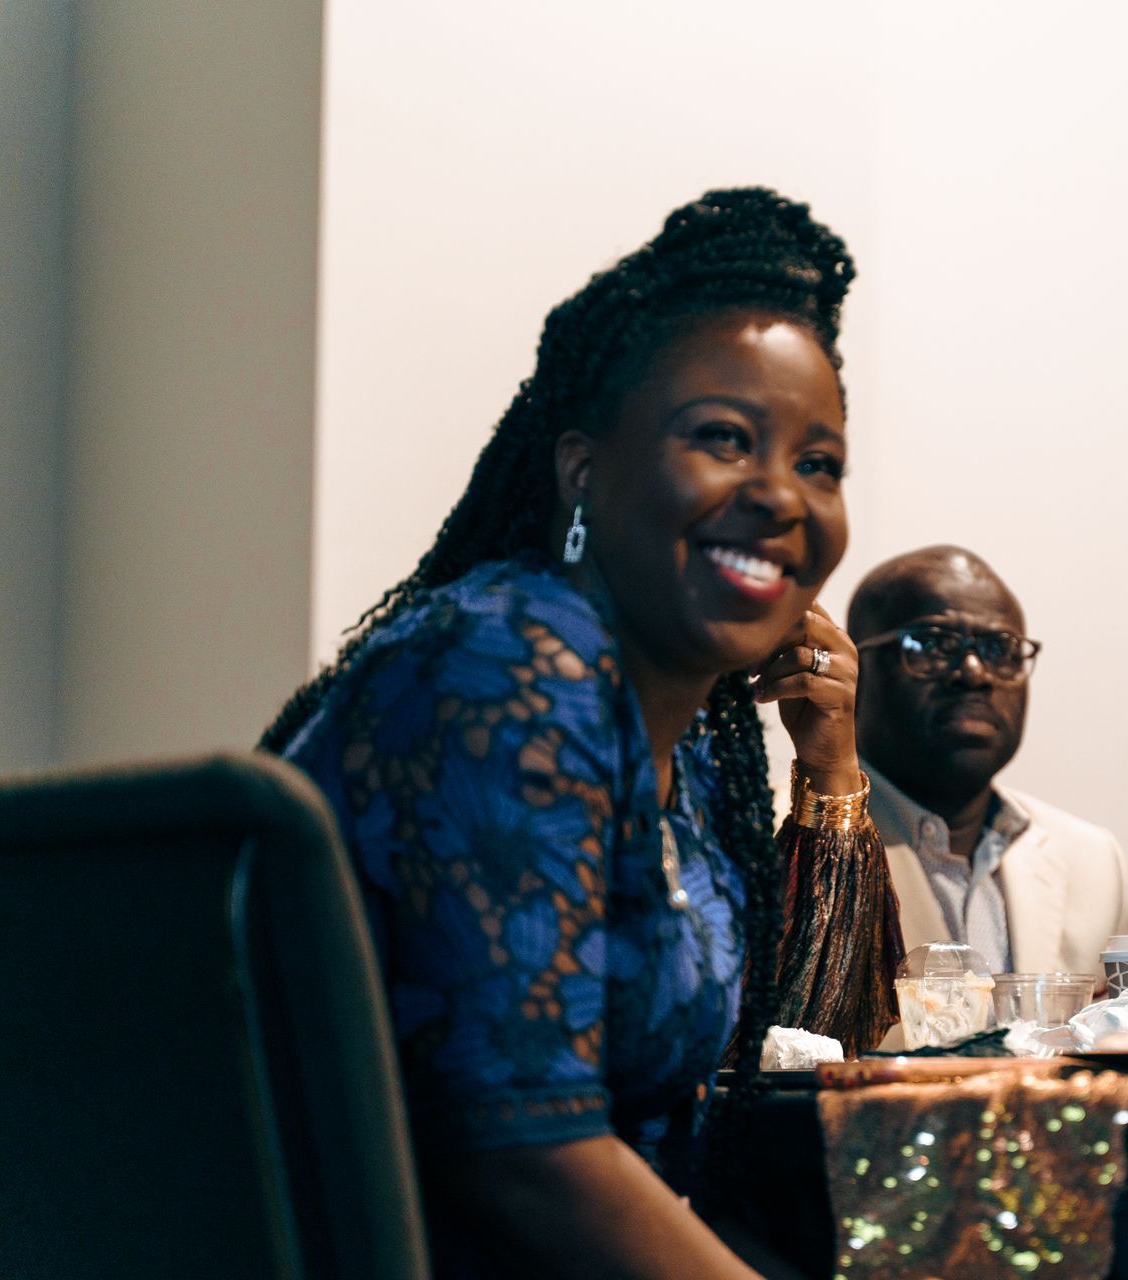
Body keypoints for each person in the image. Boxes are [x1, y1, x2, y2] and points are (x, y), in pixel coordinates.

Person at [263, 188, 902, 1279]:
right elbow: (523, 1150)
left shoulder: (691, 745)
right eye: (723, 438)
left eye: (819, 461)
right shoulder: (509, 662)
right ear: (582, 468)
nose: (782, 495)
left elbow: (754, 1077)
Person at [848, 546, 1128, 982]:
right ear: (854, 668)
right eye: (933, 644)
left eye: (1000, 649)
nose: (974, 672)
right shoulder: (777, 839)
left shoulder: (1092, 862)